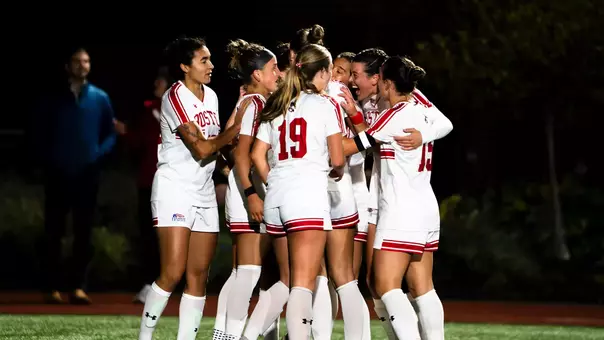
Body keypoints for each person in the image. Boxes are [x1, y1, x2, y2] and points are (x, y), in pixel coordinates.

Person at [251, 43, 370, 340]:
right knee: (309, 284)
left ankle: (246, 335)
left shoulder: (277, 101)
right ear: (326, 71)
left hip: (277, 197)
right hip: (311, 196)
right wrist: (338, 168)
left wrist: (276, 180)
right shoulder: (325, 103)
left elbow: (256, 156)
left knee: (289, 280)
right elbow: (339, 158)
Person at [138, 36, 242, 340]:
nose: (211, 65)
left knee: (198, 277)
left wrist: (227, 162)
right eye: (203, 60)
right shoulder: (174, 96)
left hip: (204, 190)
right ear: (185, 66)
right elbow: (200, 147)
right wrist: (234, 131)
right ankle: (144, 337)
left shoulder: (210, 96)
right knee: (172, 272)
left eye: (209, 59)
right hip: (175, 189)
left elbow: (213, 145)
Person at [343, 56, 448, 340]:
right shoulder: (422, 110)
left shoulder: (394, 114)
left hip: (401, 209)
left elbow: (354, 145)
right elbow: (446, 123)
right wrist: (425, 135)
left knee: (387, 285)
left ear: (388, 84)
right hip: (425, 205)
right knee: (423, 287)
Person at [217, 39, 288, 340]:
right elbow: (241, 155)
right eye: (273, 69)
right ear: (257, 75)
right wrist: (251, 194)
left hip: (251, 190)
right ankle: (231, 336)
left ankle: (224, 335)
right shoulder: (253, 104)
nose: (278, 74)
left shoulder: (254, 102)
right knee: (247, 272)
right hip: (248, 192)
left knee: (243, 272)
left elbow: (230, 144)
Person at [39, 46, 116, 305]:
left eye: (86, 61)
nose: (82, 65)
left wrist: (98, 154)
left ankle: (78, 287)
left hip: (87, 175)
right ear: (67, 66)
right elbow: (40, 132)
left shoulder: (100, 97)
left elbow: (110, 133)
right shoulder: (53, 98)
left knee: (84, 233)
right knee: (54, 233)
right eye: (77, 61)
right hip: (58, 174)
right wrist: (50, 159)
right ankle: (51, 287)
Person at [113, 67, 170, 304]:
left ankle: (162, 284)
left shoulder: (163, 109)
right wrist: (126, 134)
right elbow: (139, 144)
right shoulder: (149, 109)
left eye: (161, 80)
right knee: (149, 235)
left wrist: (126, 134)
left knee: (162, 236)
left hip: (168, 183)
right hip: (151, 182)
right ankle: (153, 284)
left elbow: (137, 141)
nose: (156, 83)